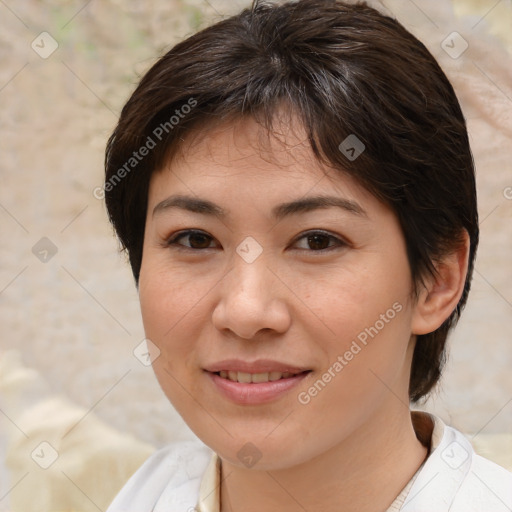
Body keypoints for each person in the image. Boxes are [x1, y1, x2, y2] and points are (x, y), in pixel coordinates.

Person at [103, 0, 512, 510]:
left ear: (437, 279)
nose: (247, 312)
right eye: (195, 239)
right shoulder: (148, 494)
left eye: (317, 240)